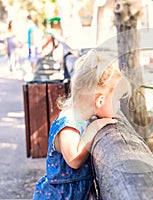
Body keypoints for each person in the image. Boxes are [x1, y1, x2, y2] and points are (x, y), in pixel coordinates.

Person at [32, 49, 130, 199]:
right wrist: (95, 128)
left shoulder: (81, 118)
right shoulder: (68, 123)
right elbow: (74, 160)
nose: (118, 107)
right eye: (116, 100)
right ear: (100, 100)